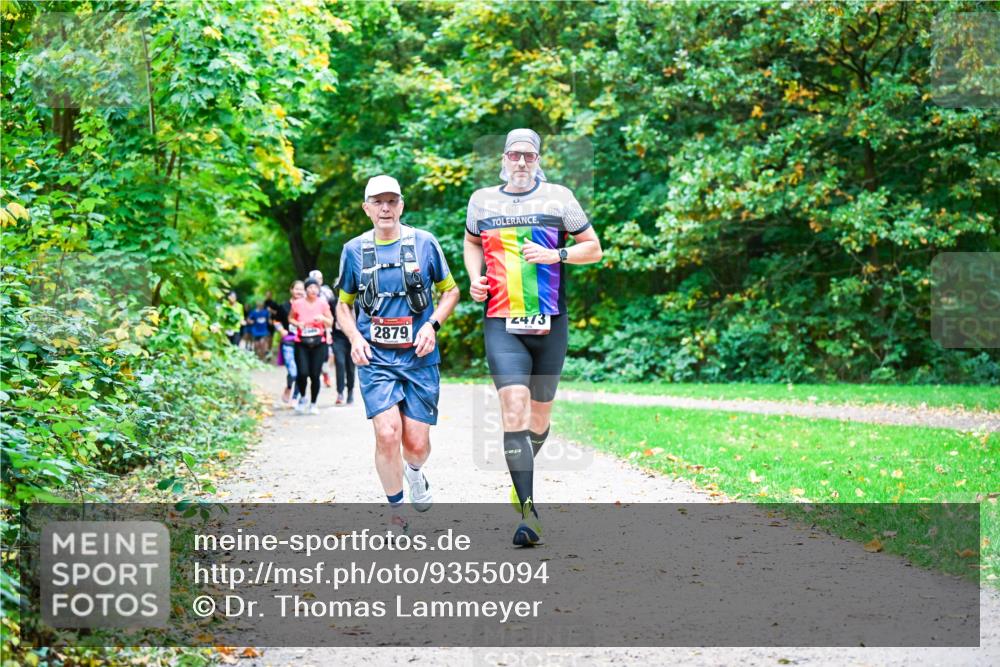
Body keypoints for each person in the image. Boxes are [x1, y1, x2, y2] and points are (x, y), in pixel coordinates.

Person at [463, 128, 603, 546]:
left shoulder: (560, 197)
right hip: (501, 319)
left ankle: (518, 476)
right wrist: (475, 279)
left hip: (549, 321)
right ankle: (527, 512)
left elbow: (593, 248)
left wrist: (555, 254)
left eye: (528, 155)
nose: (521, 162)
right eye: (514, 155)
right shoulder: (481, 200)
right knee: (513, 410)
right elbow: (471, 243)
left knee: (539, 419)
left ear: (538, 159)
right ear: (503, 158)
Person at [336, 175, 459, 529]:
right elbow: (343, 306)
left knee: (416, 444)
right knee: (387, 432)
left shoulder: (425, 243)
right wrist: (355, 339)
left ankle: (415, 472)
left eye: (392, 200)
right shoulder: (354, 250)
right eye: (378, 201)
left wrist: (431, 325)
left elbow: (450, 292)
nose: (386, 207)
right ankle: (396, 513)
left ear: (402, 205)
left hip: (419, 357)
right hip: (375, 358)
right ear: (367, 208)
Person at [289, 277, 334, 414]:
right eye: (310, 287)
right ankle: (303, 398)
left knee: (315, 375)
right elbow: (290, 318)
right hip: (301, 342)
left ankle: (313, 403)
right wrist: (298, 324)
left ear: (318, 289)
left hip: (319, 342)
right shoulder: (297, 303)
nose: (313, 290)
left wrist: (323, 319)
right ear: (306, 289)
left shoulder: (323, 303)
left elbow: (330, 322)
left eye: (315, 287)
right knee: (302, 373)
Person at [273, 280, 305, 404]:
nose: (299, 292)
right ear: (291, 290)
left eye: (302, 289)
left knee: (301, 370)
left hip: (304, 342)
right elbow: (275, 321)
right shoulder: (284, 307)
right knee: (293, 370)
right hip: (288, 342)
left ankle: (295, 396)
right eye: (296, 289)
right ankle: (289, 387)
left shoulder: (307, 306)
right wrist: (281, 330)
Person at [330, 277, 356, 405]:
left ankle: (350, 391)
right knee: (339, 363)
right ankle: (340, 392)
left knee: (350, 367)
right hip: (338, 337)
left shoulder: (357, 302)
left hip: (352, 338)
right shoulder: (332, 302)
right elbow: (329, 320)